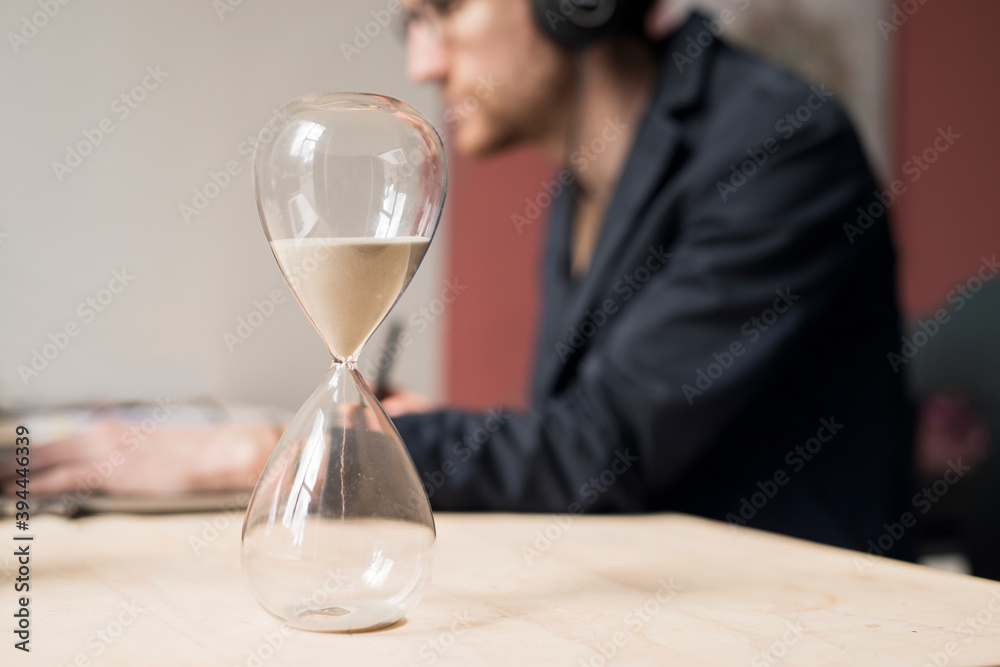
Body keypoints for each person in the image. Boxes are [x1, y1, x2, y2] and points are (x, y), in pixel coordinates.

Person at [2, 0, 915, 558]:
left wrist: (264, 452)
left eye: (443, 10)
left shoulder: (777, 143)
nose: (424, 65)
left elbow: (604, 453)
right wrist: (413, 430)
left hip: (793, 613)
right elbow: (589, 438)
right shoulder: (588, 173)